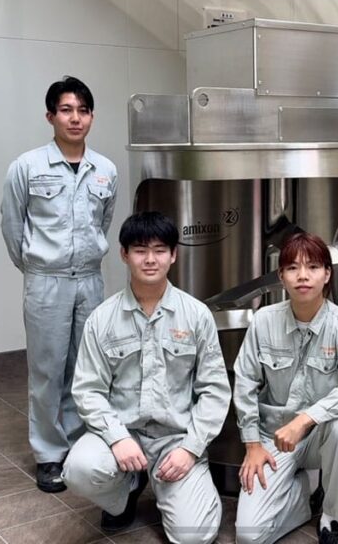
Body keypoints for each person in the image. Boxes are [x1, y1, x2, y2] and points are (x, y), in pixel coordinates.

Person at [62, 212, 230, 544]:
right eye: (140, 250)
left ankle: (178, 485)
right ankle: (126, 489)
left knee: (195, 537)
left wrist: (191, 449)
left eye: (159, 250)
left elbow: (214, 391)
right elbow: (88, 390)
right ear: (124, 254)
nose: (150, 259)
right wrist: (117, 438)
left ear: (173, 254)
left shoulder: (197, 315)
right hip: (123, 434)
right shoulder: (102, 319)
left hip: (176, 439)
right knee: (79, 469)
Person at [0, 75, 118, 492]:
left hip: (89, 280)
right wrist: (37, 267)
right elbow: (12, 227)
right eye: (66, 110)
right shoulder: (27, 167)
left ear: (92, 117)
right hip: (46, 282)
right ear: (50, 116)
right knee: (47, 371)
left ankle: (79, 445)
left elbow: (103, 223)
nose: (75, 118)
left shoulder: (105, 170)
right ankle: (49, 454)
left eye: (83, 110)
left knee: (85, 367)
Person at [234, 232, 338, 544]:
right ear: (281, 276)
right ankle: (307, 492)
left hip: (318, 437)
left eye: (313, 267)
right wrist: (252, 444)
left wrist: (305, 419)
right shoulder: (263, 321)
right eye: (293, 268)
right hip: (273, 439)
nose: (303, 276)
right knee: (249, 537)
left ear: (327, 274)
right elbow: (244, 383)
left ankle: (333, 518)